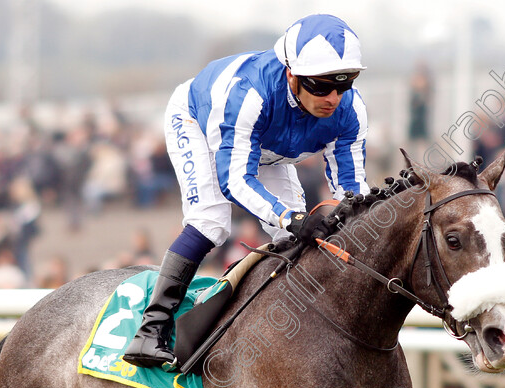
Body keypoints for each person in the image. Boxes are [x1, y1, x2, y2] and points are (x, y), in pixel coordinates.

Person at [123, 14, 370, 368]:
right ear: (291, 74)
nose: (333, 98)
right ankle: (151, 329)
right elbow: (235, 180)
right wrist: (292, 217)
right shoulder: (249, 94)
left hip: (267, 146)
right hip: (199, 120)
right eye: (321, 85)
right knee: (212, 222)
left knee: (294, 236)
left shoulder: (350, 110)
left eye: (344, 84)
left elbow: (352, 192)